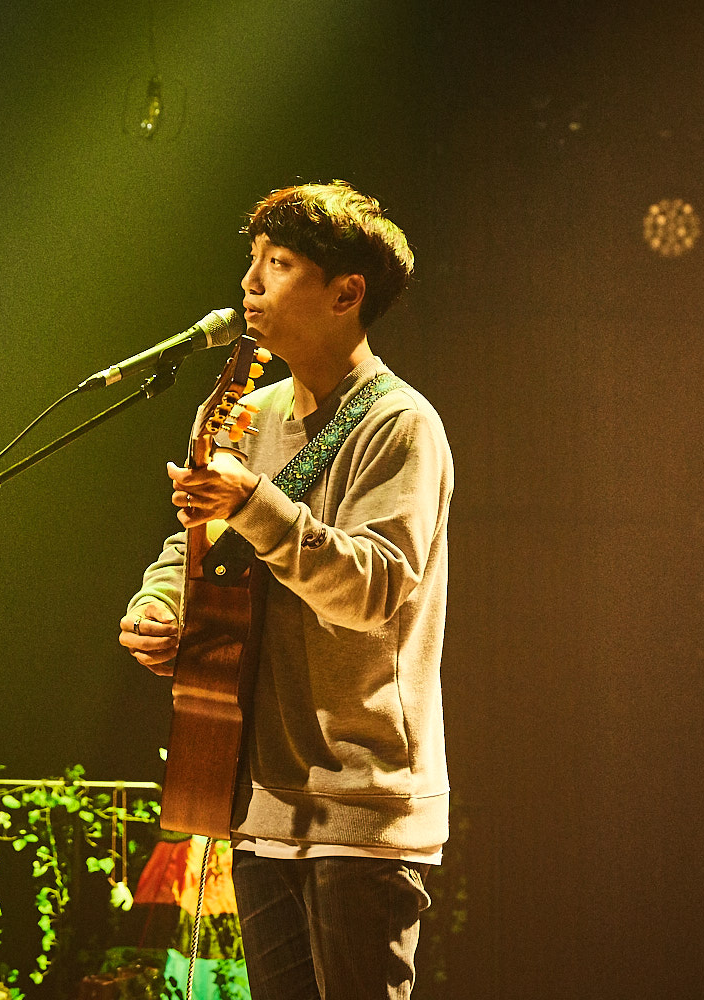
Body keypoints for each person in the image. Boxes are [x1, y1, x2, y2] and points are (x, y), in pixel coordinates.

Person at [118, 181, 452, 999]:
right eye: (253, 260)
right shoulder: (243, 413)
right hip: (258, 799)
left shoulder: (401, 424)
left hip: (360, 805)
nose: (250, 283)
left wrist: (252, 502)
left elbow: (373, 588)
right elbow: (193, 544)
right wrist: (159, 604)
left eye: (280, 263)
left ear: (346, 293)